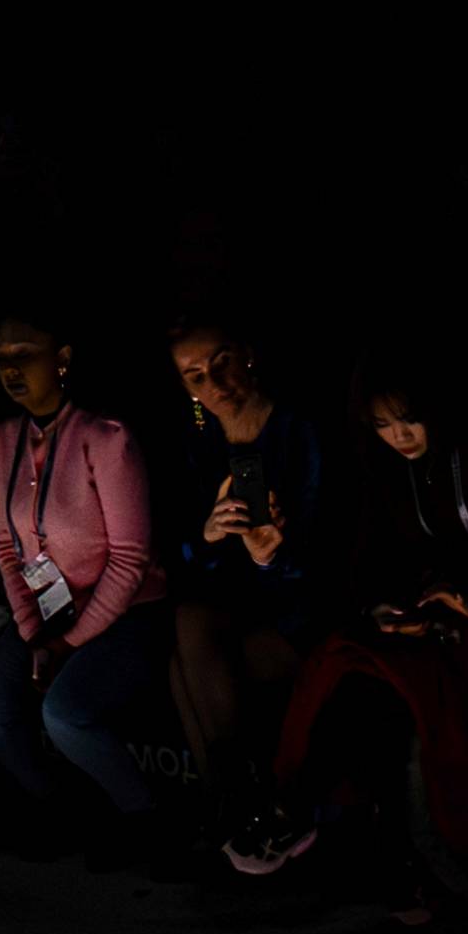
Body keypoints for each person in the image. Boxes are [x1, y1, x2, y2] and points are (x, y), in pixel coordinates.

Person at [222, 370, 468, 904]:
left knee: (400, 695)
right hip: (428, 625)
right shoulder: (389, 475)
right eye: (384, 425)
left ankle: (342, 831)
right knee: (348, 668)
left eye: (409, 420)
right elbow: (371, 564)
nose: (400, 436)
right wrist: (384, 607)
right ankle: (298, 813)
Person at [0, 315, 167, 830]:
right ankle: (60, 806)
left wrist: (66, 643)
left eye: (24, 354)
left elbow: (130, 560)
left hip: (125, 614)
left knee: (65, 712)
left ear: (63, 359)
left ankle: (145, 818)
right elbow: (8, 547)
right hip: (48, 615)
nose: (11, 369)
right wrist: (33, 633)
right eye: (2, 358)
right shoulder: (1, 440)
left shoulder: (105, 439)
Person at [156, 324, 338, 797]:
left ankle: (238, 802)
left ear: (247, 356)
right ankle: (238, 801)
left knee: (189, 665)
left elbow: (327, 561)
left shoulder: (301, 430)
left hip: (304, 613)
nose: (214, 384)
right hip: (240, 604)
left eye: (222, 363)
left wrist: (268, 556)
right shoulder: (198, 438)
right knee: (187, 627)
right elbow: (185, 558)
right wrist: (210, 535)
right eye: (195, 376)